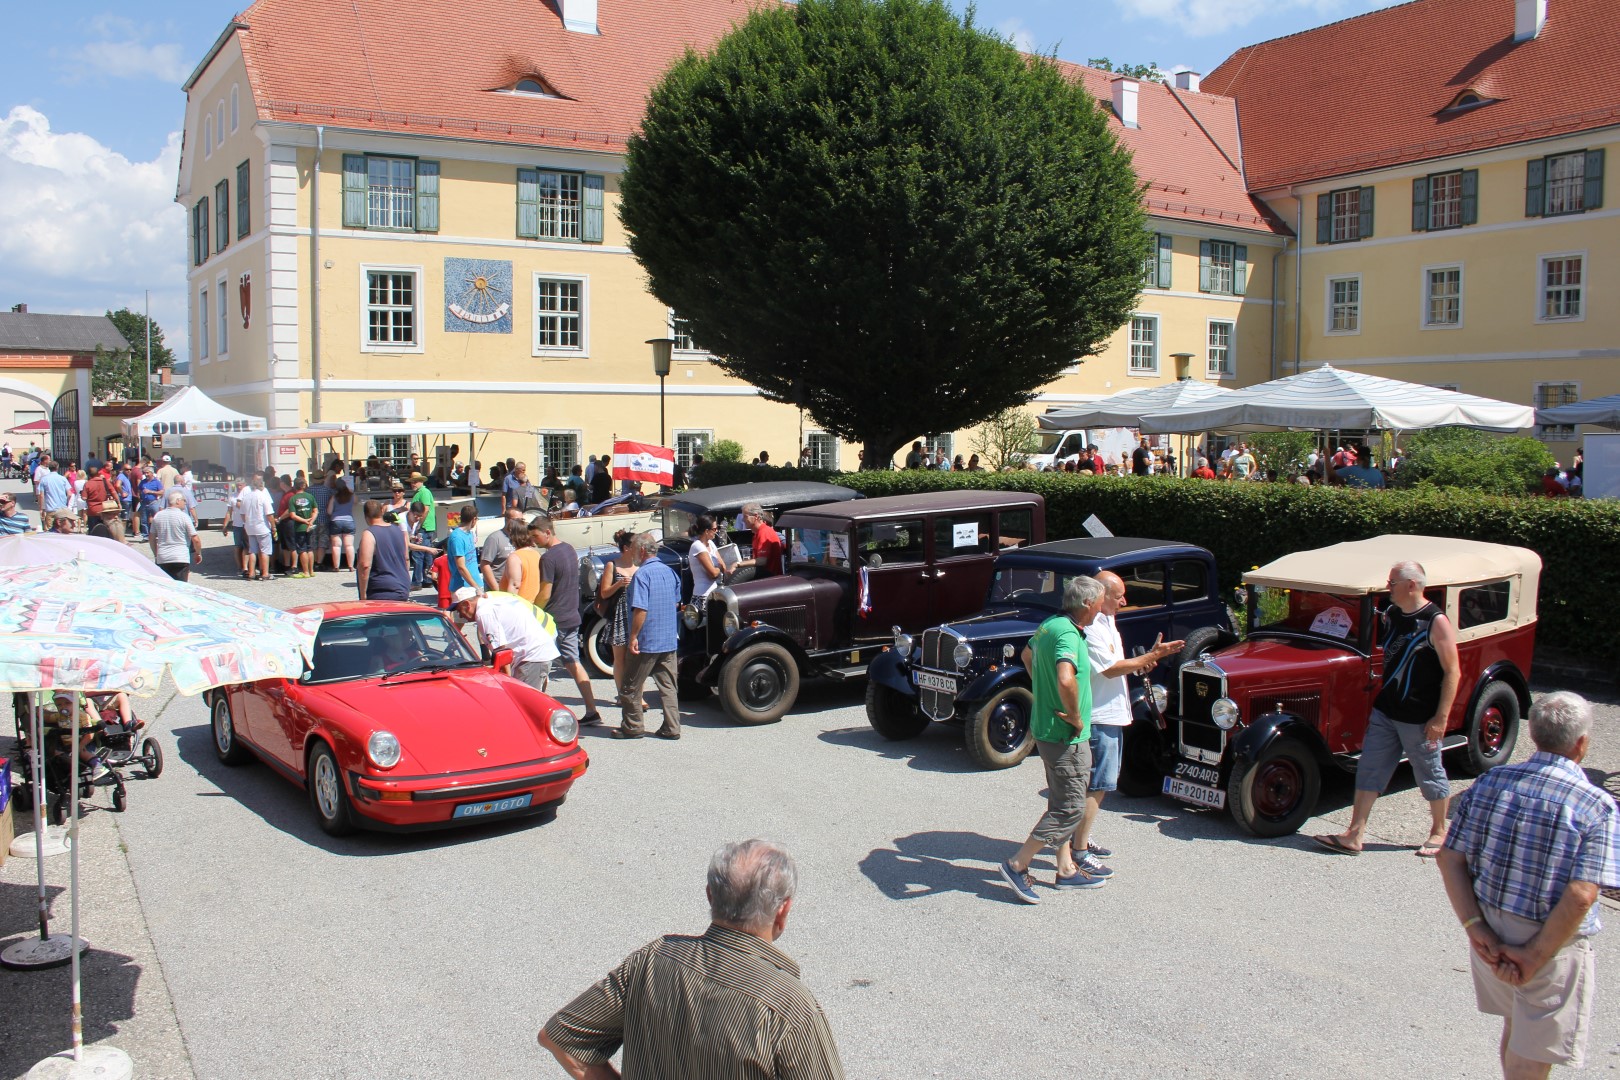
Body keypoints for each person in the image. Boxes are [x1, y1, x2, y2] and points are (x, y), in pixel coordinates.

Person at [539, 839, 844, 1079]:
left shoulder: (651, 961)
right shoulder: (790, 1008)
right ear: (783, 909)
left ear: (711, 896)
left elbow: (561, 1039)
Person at [1438, 691, 1620, 1079]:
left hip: (1488, 930)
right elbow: (1582, 894)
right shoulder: (1595, 805)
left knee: (1515, 1028)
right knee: (1533, 1055)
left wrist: (1475, 927)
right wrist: (1536, 955)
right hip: (1548, 942)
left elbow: (1449, 857)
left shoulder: (1490, 781)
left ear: (1533, 734)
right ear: (1582, 743)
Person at [1315, 560, 1460, 857]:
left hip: (1420, 717)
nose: (1387, 586)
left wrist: (1440, 717)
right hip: (1386, 710)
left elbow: (1453, 671)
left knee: (1429, 772)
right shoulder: (1393, 613)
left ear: (1411, 585)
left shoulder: (1435, 621)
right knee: (1369, 769)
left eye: (1392, 582)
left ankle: (1439, 832)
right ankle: (1354, 834)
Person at [997, 575, 1109, 903]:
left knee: (1059, 800)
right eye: (1101, 600)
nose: (1103, 607)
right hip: (1065, 735)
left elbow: (1027, 657)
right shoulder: (1068, 635)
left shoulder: (1050, 624)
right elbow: (1066, 677)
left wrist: (1043, 692)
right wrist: (1074, 715)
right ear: (1088, 604)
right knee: (1071, 807)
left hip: (1047, 730)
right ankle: (1018, 864)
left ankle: (1066, 870)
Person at [1071, 572, 1184, 875]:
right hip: (1099, 716)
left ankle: (1080, 837)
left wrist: (1142, 664)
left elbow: (1116, 666)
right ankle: (1079, 851)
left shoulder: (1107, 620)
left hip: (1111, 713)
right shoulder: (1092, 625)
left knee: (1096, 785)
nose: (1124, 601)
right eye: (1118, 596)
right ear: (1100, 595)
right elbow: (1109, 669)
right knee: (1097, 785)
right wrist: (1150, 656)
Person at [530, 513, 601, 725]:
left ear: (548, 532)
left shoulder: (548, 558)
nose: (534, 542)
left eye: (536, 537)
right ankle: (592, 710)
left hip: (554, 618)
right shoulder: (569, 549)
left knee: (540, 666)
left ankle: (536, 714)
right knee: (573, 662)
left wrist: (532, 610)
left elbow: (545, 592)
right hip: (571, 615)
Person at [613, 530, 680, 740]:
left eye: (633, 549)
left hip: (647, 642)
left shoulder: (641, 575)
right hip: (668, 639)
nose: (632, 553)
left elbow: (640, 609)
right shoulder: (670, 572)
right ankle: (672, 727)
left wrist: (633, 636)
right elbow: (676, 602)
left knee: (630, 686)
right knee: (668, 687)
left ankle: (633, 727)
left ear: (641, 551)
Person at [453, 587, 558, 692]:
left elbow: (502, 653)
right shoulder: (492, 602)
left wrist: (507, 685)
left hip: (532, 657)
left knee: (522, 701)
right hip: (538, 652)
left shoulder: (484, 613)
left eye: (459, 610)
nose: (459, 615)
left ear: (467, 605)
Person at [595, 529, 638, 687]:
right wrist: (619, 584)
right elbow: (604, 593)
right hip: (619, 615)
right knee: (619, 658)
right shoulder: (612, 565)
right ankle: (622, 692)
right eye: (636, 545)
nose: (640, 549)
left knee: (636, 658)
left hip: (635, 613)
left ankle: (636, 694)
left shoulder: (639, 566)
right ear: (626, 548)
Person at [356, 500, 412, 602]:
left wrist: (363, 595)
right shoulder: (398, 531)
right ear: (382, 511)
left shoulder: (369, 534)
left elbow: (365, 565)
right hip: (402, 586)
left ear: (365, 516)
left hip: (382, 590)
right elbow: (406, 558)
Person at [148, 492, 201, 581]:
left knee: (166, 587)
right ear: (177, 501)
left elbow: (152, 538)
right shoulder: (184, 517)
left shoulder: (158, 516)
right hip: (180, 557)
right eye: (184, 500)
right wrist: (198, 553)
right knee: (180, 587)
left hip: (163, 557)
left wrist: (156, 555)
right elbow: (195, 539)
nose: (185, 503)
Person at [238, 472, 277, 582]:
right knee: (265, 551)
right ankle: (265, 573)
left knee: (252, 551)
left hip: (250, 527)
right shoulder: (263, 496)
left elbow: (242, 513)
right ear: (261, 486)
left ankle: (251, 573)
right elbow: (269, 514)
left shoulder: (246, 497)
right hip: (262, 526)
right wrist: (273, 527)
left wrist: (247, 522)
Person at [500, 520, 543, 603]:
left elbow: (515, 585)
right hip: (533, 605)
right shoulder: (536, 554)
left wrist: (510, 607)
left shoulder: (515, 557)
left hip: (521, 606)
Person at [480, 507, 522, 592]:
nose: (520, 523)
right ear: (507, 519)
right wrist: (497, 589)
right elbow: (484, 565)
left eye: (522, 520)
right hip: (499, 589)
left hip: (515, 589)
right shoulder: (495, 538)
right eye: (517, 520)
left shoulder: (521, 538)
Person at [687, 514, 725, 602]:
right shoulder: (697, 546)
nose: (717, 531)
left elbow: (723, 566)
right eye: (715, 529)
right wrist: (718, 569)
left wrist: (717, 569)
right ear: (707, 531)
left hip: (715, 594)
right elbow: (713, 574)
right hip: (702, 596)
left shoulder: (711, 543)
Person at [741, 502, 784, 578]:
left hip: (770, 581)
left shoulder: (764, 532)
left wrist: (738, 564)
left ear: (756, 516)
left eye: (745, 516)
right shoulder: (758, 533)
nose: (743, 520)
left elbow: (762, 561)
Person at [446, 504, 480, 595]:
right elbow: (461, 566)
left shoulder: (469, 533)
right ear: (474, 519)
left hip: (474, 585)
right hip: (463, 588)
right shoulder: (457, 537)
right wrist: (476, 587)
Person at [408, 471, 437, 537]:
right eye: (412, 482)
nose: (413, 484)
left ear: (421, 481)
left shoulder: (424, 492)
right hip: (421, 527)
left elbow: (426, 509)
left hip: (424, 527)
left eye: (415, 482)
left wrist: (419, 524)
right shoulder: (418, 492)